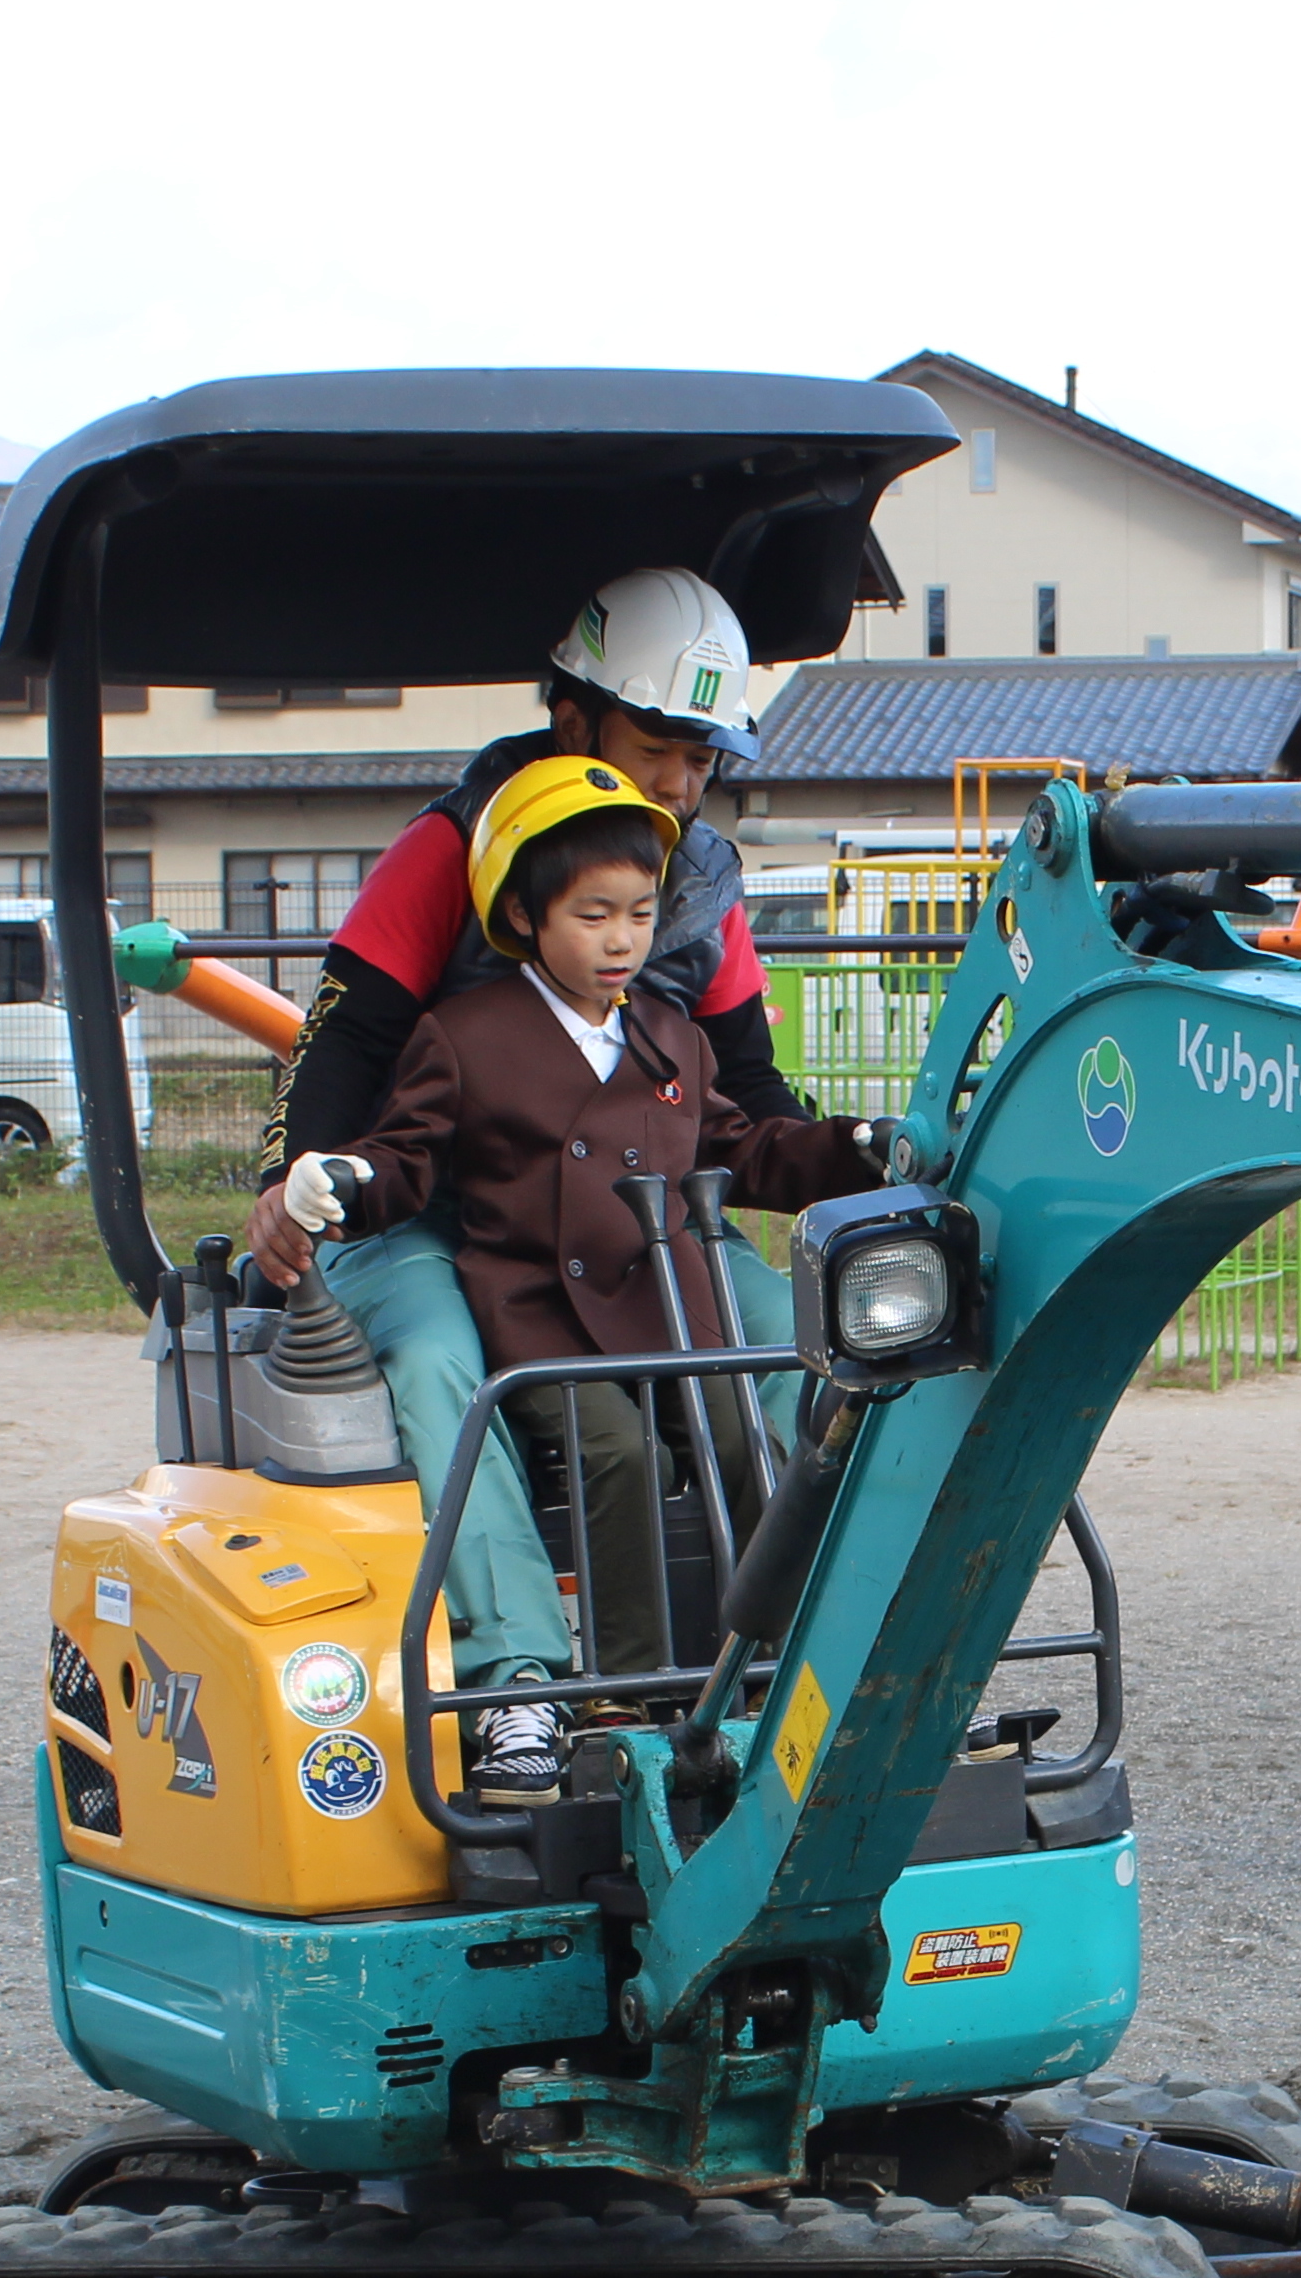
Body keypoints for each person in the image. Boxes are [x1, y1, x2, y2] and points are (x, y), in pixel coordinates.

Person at [300, 757, 883, 1790]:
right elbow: (410, 1157)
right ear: (523, 919)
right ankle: (618, 1693)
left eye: (641, 914)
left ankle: (774, 1671)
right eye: (592, 915)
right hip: (547, 1315)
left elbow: (745, 1149)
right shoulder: (467, 1037)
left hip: (666, 1302)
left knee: (748, 1442)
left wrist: (855, 1150)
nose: (621, 941)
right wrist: (345, 1178)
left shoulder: (671, 1037)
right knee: (612, 1448)